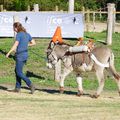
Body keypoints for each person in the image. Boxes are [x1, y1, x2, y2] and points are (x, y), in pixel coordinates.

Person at [6, 22, 36, 94]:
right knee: (17, 71)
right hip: (25, 55)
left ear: (16, 28)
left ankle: (30, 85)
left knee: (19, 72)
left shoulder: (19, 34)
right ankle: (17, 88)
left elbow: (15, 45)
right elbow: (34, 43)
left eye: (13, 28)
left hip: (20, 55)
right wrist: (25, 45)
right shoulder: (27, 34)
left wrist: (8, 53)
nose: (13, 29)